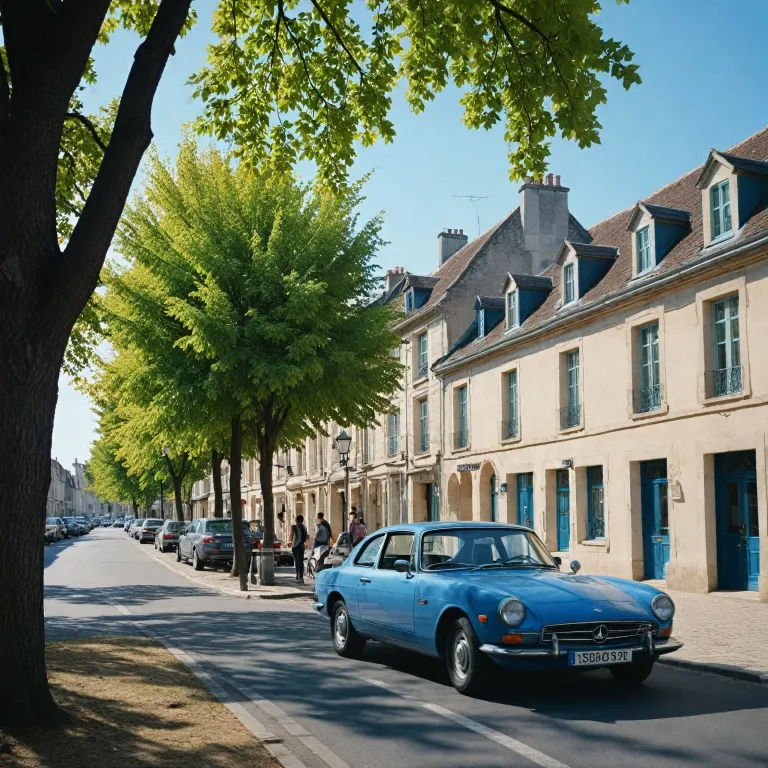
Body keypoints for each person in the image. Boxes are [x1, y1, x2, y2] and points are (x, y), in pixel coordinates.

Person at [288, 514, 308, 584]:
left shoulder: (295, 527)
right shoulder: (303, 527)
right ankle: (299, 577)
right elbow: (306, 536)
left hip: (297, 546)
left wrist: (290, 542)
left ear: (296, 520)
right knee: (300, 562)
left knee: (297, 562)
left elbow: (292, 535)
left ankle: (299, 577)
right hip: (301, 546)